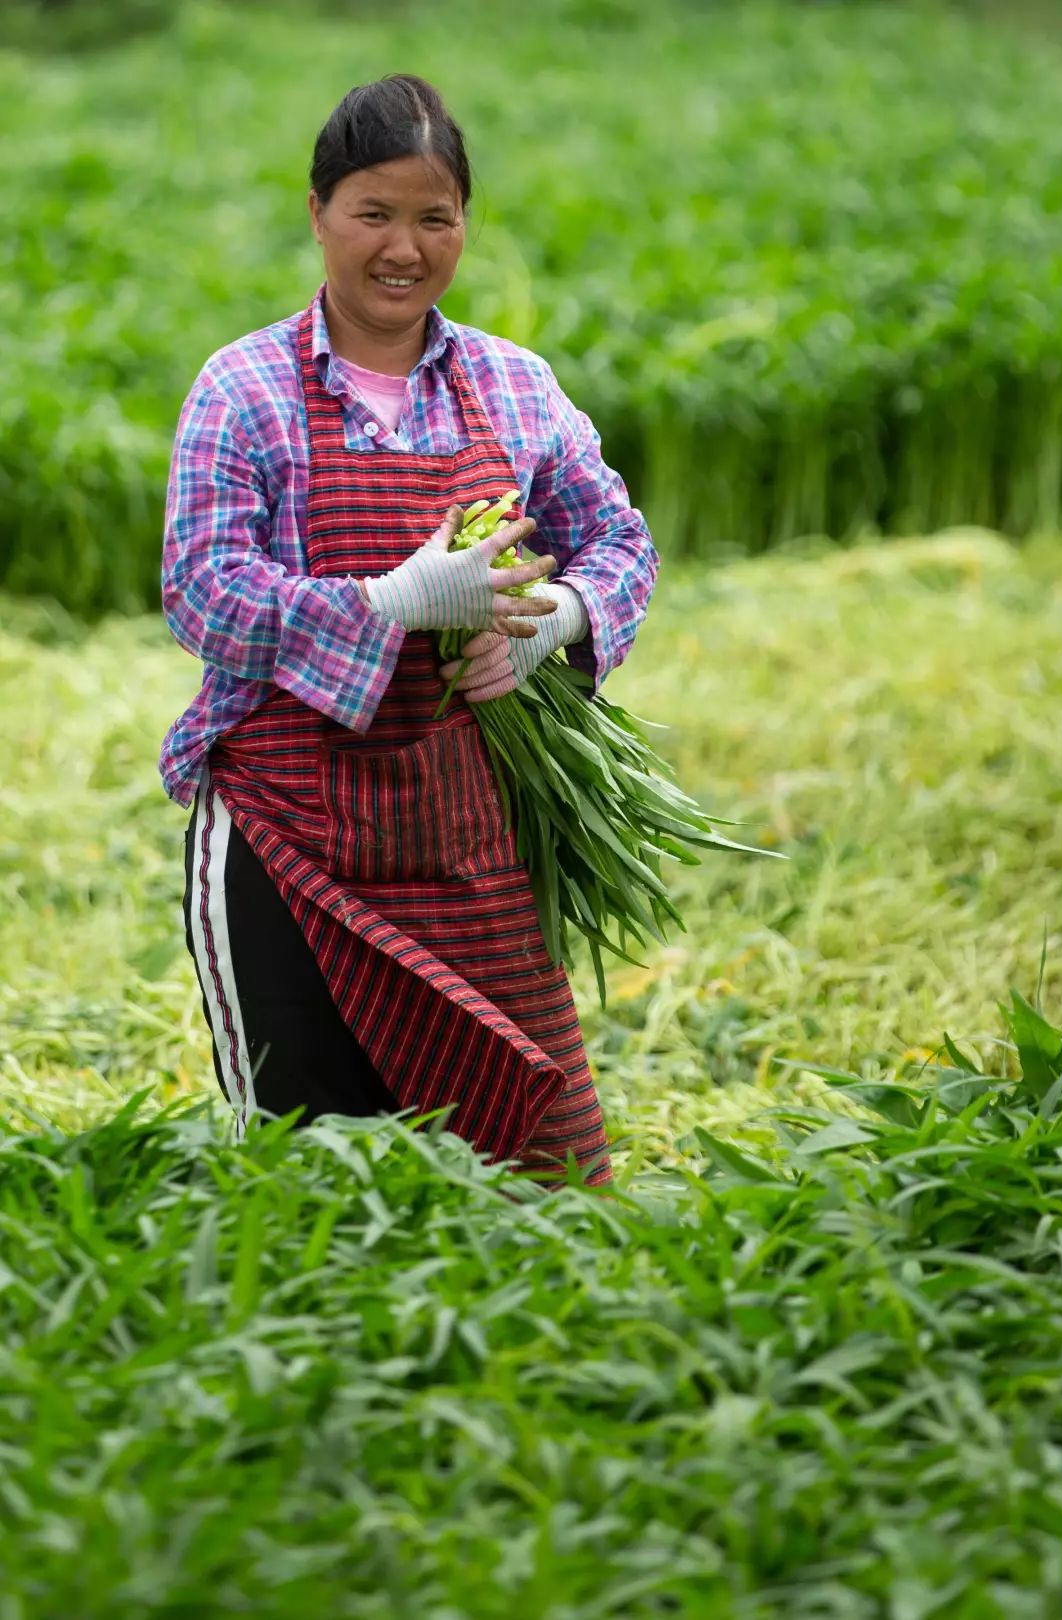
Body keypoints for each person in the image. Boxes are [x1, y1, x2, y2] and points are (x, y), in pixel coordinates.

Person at [159, 75, 658, 1190]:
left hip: (470, 839)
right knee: (318, 1186)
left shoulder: (512, 386)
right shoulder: (244, 391)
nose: (405, 247)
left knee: (542, 1172)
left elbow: (623, 543)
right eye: (374, 213)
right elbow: (200, 590)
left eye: (436, 218)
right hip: (290, 842)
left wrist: (558, 624)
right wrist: (387, 605)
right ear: (318, 213)